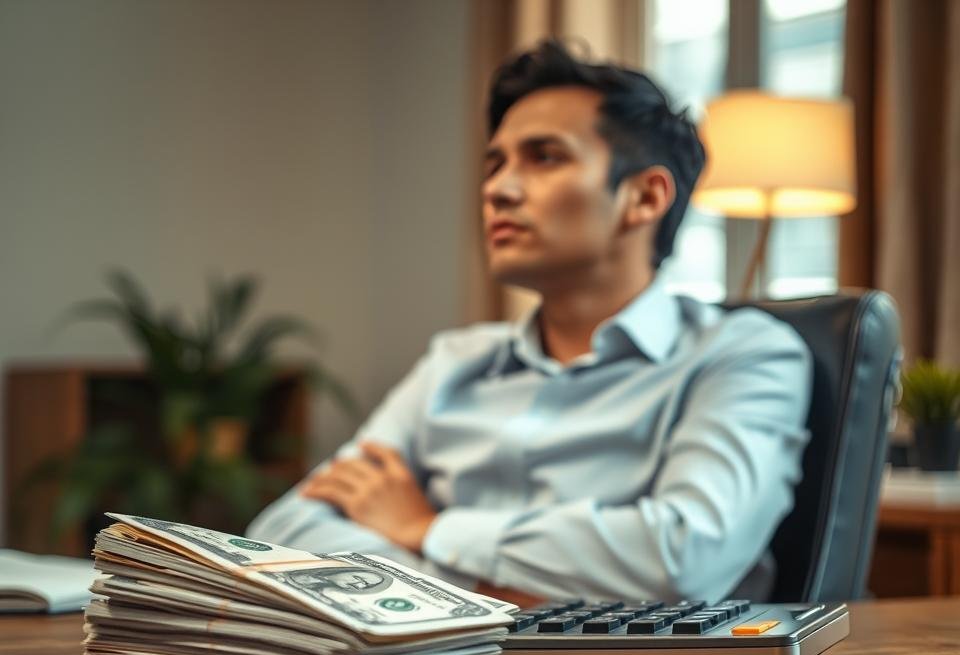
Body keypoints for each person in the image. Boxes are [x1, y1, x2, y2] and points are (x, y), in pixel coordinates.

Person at [247, 40, 812, 607]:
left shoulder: (745, 354)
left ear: (644, 197)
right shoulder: (456, 359)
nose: (497, 189)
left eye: (544, 157)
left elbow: (683, 557)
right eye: (495, 164)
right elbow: (283, 531)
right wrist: (487, 594)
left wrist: (428, 529)